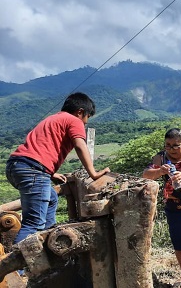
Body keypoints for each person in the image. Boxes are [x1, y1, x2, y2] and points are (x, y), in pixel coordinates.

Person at [5, 92, 110, 246]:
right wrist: (93, 174)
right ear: (80, 112)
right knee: (33, 224)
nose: (84, 124)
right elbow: (80, 146)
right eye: (86, 119)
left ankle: (47, 244)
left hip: (16, 166)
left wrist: (51, 172)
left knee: (51, 199)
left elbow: (39, 146)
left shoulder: (53, 118)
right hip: (33, 170)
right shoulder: (74, 120)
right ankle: (16, 269)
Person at [142, 128, 181, 287]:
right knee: (179, 239)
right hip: (173, 205)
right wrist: (159, 171)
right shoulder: (161, 157)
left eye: (176, 145)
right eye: (168, 145)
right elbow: (146, 174)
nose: (172, 149)